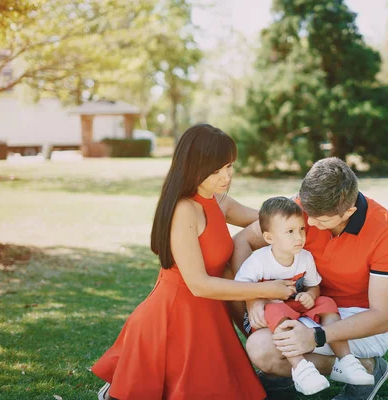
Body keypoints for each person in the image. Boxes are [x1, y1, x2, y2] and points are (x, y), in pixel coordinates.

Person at [91, 124, 296, 400]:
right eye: (216, 171)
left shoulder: (219, 201)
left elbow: (266, 220)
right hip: (172, 317)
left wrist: (301, 215)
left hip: (208, 315)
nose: (226, 176)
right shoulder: (185, 210)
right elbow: (198, 285)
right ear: (193, 167)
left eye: (229, 166)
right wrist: (267, 290)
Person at [231, 157, 388, 400]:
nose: (309, 224)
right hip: (309, 310)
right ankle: (330, 370)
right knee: (263, 347)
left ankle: (368, 367)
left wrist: (316, 337)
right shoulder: (303, 208)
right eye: (307, 213)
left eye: (320, 220)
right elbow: (243, 240)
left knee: (266, 351)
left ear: (349, 211)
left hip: (362, 321)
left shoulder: (385, 231)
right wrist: (253, 298)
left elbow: (380, 317)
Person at [234, 196, 374, 396]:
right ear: (269, 237)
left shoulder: (305, 257)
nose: (298, 237)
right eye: (290, 232)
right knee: (276, 309)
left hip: (297, 306)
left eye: (301, 229)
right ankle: (301, 367)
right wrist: (255, 301)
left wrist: (310, 295)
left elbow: (314, 286)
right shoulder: (259, 260)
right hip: (270, 310)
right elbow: (241, 287)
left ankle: (348, 360)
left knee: (326, 302)